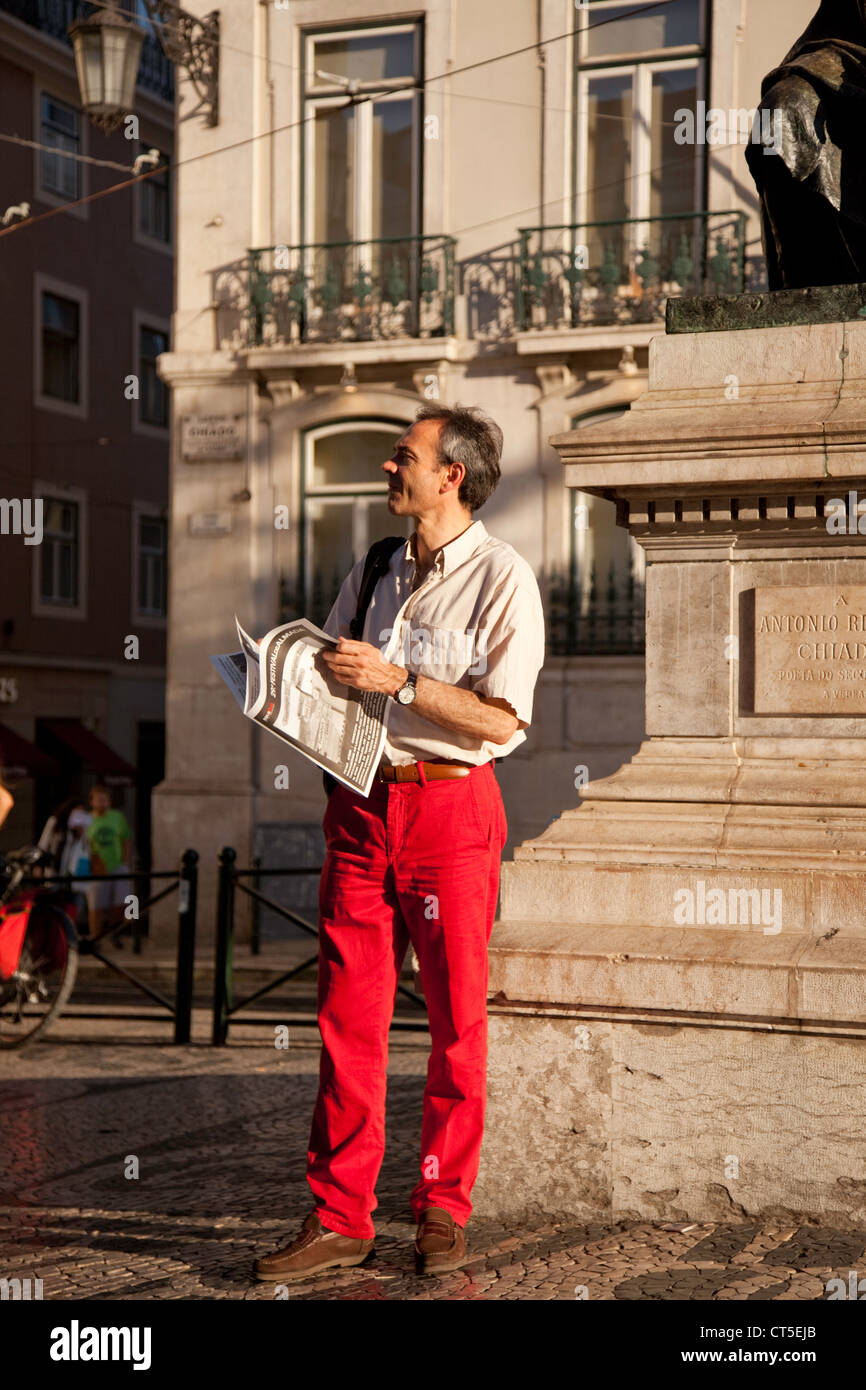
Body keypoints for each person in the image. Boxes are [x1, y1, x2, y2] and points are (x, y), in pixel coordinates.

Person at [254, 403, 545, 1283]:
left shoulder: (504, 578)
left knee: (456, 1021)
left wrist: (403, 681)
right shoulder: (377, 564)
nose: (389, 469)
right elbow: (339, 668)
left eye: (401, 456)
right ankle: (340, 1217)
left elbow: (505, 719)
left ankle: (443, 1210)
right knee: (347, 1019)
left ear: (451, 474)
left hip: (451, 809)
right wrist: (286, 685)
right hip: (359, 806)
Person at [85, 784, 132, 947]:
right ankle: (95, 938)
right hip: (97, 868)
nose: (102, 803)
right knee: (96, 906)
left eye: (105, 799)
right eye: (99, 799)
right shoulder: (87, 820)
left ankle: (114, 934)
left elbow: (126, 838)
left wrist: (126, 861)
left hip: (117, 866)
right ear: (92, 802)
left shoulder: (117, 817)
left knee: (122, 904)